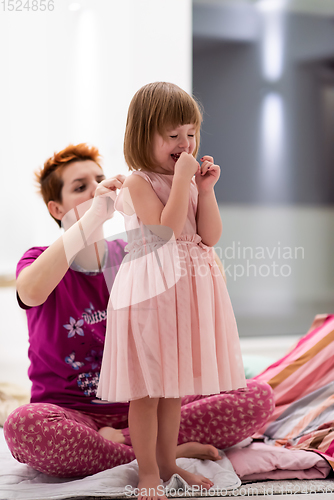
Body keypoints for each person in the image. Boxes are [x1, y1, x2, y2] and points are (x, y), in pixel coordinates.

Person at [3, 142, 274, 480]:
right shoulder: (38, 258)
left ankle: (141, 448)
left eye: (98, 179)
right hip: (76, 416)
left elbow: (199, 277)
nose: (95, 188)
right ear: (56, 209)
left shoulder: (133, 252)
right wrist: (93, 215)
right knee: (23, 426)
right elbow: (29, 291)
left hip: (151, 403)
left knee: (256, 396)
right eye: (79, 186)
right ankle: (163, 451)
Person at [96, 82, 262, 498]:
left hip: (187, 293)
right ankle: (148, 470)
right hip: (151, 295)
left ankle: (169, 461)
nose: (184, 143)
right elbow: (164, 233)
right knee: (148, 390)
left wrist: (204, 190)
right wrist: (185, 179)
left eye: (190, 133)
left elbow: (209, 236)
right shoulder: (137, 182)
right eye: (173, 135)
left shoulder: (188, 181)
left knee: (173, 390)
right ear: (142, 136)